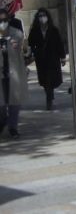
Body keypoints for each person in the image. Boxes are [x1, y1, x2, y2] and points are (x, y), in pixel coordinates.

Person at [27, 8, 66, 110]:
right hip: (41, 59)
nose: (42, 18)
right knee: (44, 80)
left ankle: (49, 98)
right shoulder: (34, 31)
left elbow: (59, 44)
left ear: (47, 17)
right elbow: (30, 44)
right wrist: (32, 53)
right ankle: (50, 96)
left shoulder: (53, 30)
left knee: (51, 79)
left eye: (44, 15)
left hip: (53, 58)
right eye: (40, 16)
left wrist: (62, 57)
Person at [0, 8, 28, 138]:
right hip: (2, 74)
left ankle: (13, 127)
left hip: (13, 73)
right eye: (0, 20)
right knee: (1, 104)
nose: (3, 22)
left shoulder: (16, 34)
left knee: (14, 103)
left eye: (5, 20)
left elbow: (22, 50)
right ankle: (3, 121)